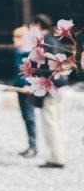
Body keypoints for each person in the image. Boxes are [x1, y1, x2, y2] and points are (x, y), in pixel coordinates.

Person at [33, 14, 68, 169]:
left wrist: (39, 84)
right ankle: (59, 155)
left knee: (50, 123)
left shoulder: (44, 42)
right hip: (60, 84)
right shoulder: (54, 40)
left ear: (38, 25)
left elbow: (46, 67)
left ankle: (57, 158)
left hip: (51, 86)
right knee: (56, 122)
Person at [11, 25, 39, 158]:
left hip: (28, 91)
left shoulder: (32, 54)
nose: (14, 40)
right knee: (25, 117)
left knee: (30, 118)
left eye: (17, 37)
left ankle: (33, 147)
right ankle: (30, 145)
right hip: (19, 89)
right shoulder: (17, 52)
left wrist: (30, 86)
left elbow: (36, 73)